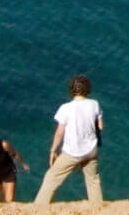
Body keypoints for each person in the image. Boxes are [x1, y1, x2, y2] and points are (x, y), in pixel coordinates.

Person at [35, 74, 105, 204]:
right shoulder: (94, 104)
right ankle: (97, 207)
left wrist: (53, 150)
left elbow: (59, 133)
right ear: (87, 89)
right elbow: (100, 127)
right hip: (91, 150)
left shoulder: (65, 108)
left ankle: (39, 207)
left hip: (72, 152)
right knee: (93, 180)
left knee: (51, 178)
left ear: (71, 90)